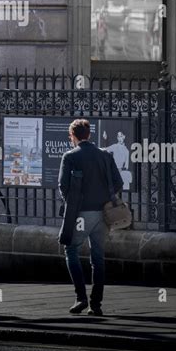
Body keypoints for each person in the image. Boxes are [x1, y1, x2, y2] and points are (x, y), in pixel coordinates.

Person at [58, 118, 123, 317]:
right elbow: (118, 182)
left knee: (71, 250)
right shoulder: (105, 155)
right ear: (89, 135)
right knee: (98, 258)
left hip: (81, 214)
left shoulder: (70, 156)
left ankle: (80, 298)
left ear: (73, 136)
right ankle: (96, 304)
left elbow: (63, 186)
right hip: (103, 214)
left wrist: (74, 202)